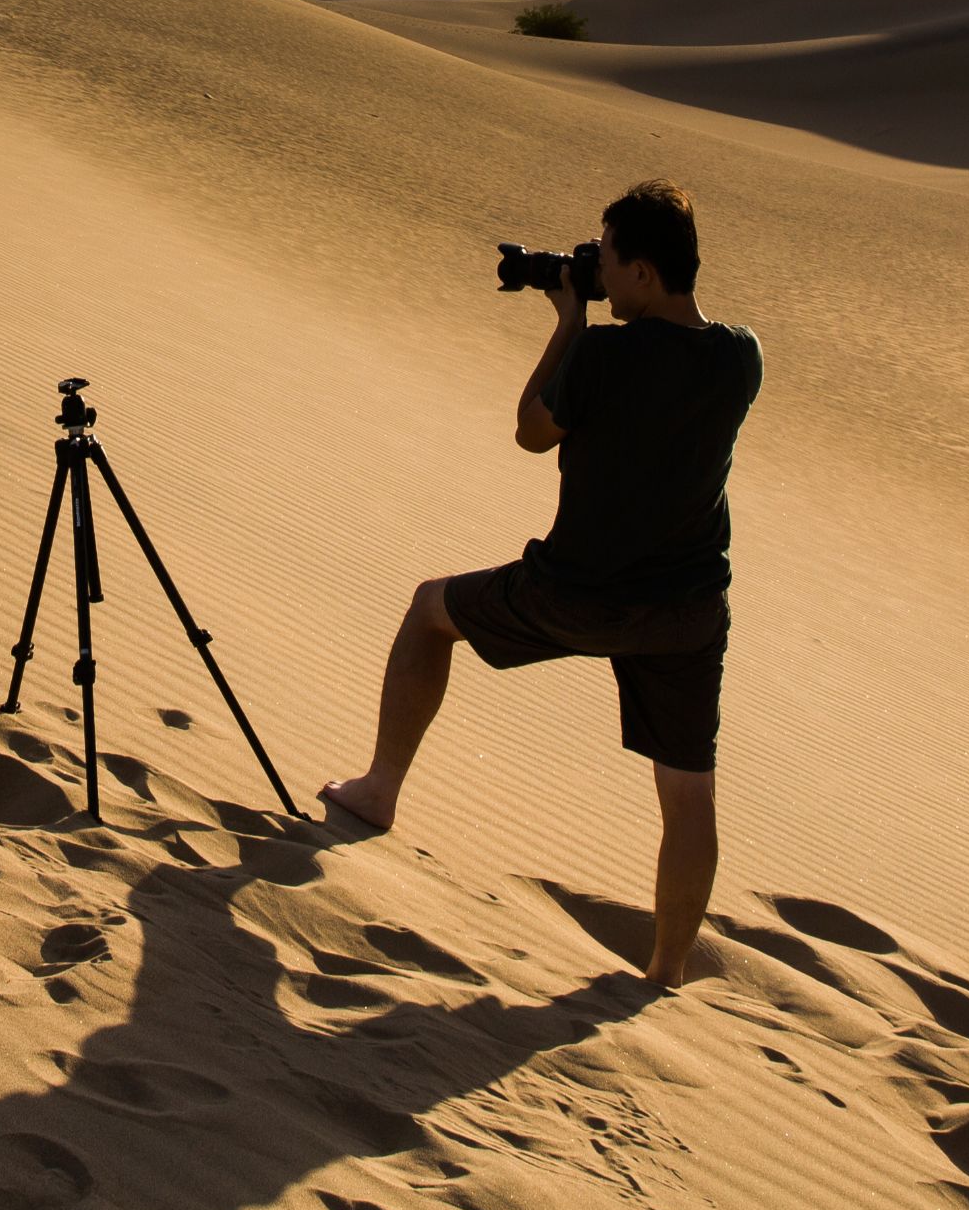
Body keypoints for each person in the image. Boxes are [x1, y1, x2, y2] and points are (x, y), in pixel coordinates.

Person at [319, 179, 760, 987]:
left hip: (579, 594)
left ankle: (379, 789)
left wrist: (567, 323)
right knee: (689, 788)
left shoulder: (601, 354)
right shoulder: (742, 356)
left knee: (429, 610)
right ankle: (664, 969)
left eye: (611, 259)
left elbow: (531, 430)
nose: (600, 268)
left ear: (645, 274)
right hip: (688, 609)